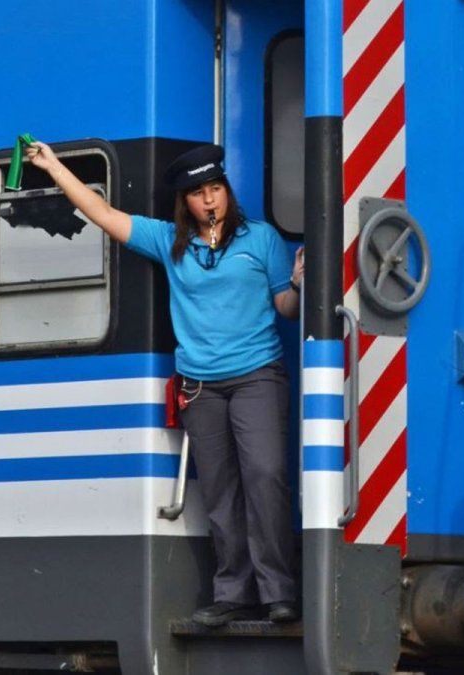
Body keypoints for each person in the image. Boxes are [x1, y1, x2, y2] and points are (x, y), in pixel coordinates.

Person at [26, 140, 304, 626]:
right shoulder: (168, 242)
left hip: (258, 375)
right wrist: (54, 168)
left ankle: (278, 591)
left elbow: (285, 308)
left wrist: (301, 284)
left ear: (227, 192)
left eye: (216, 188)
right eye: (198, 193)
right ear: (186, 202)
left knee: (265, 476)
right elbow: (103, 213)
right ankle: (233, 592)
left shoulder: (261, 239)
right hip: (201, 386)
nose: (210, 200)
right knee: (219, 490)